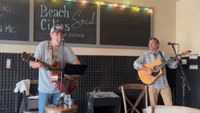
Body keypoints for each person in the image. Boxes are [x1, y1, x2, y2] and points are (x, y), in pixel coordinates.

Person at [29, 24, 80, 113]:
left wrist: (68, 76)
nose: (59, 36)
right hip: (44, 89)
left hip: (59, 89)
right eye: (57, 34)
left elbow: (77, 64)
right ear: (51, 34)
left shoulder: (65, 48)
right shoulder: (43, 45)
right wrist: (36, 65)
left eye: (61, 34)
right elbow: (31, 63)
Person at [133, 37, 178, 106]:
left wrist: (175, 63)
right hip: (152, 84)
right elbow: (135, 64)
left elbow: (171, 65)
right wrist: (146, 69)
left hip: (164, 83)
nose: (150, 45)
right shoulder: (145, 55)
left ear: (157, 45)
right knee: (153, 106)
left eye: (152, 43)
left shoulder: (163, 54)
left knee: (169, 105)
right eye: (149, 43)